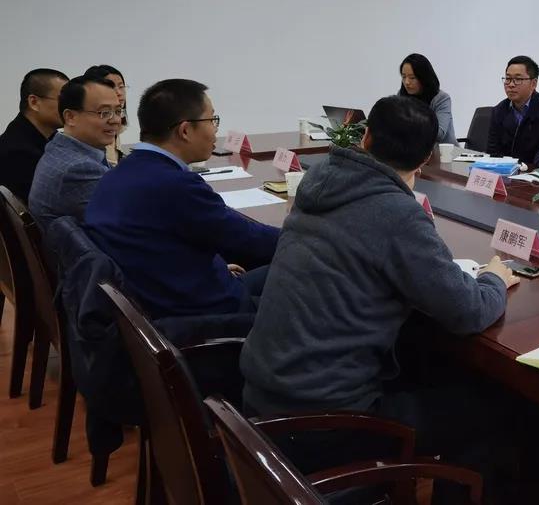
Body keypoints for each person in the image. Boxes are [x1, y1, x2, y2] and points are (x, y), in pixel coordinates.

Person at [240, 95, 516, 496]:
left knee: (422, 361)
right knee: (488, 413)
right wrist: (492, 279)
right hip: (325, 422)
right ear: (425, 158)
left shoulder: (319, 179)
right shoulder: (396, 213)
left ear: (365, 137)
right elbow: (468, 311)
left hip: (262, 396)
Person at [85, 79, 280, 319]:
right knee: (310, 273)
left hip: (172, 293)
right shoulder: (175, 184)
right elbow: (247, 238)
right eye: (212, 120)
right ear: (185, 130)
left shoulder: (121, 172)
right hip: (206, 314)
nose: (215, 130)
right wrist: (307, 237)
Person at [29, 76, 122, 237]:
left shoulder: (59, 149)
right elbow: (126, 222)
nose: (115, 120)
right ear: (70, 117)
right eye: (104, 112)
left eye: (118, 111)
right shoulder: (79, 168)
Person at [0, 68, 68, 202]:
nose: (71, 108)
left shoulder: (52, 139)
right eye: (64, 100)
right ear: (34, 102)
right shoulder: (18, 153)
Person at [486, 56, 539, 164]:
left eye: (518, 79)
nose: (511, 84)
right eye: (508, 79)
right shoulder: (499, 110)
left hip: (535, 171)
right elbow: (492, 152)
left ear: (533, 83)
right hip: (504, 170)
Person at [398, 53, 455, 144]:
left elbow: (438, 134)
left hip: (443, 150)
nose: (407, 82)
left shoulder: (441, 99)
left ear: (424, 78)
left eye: (412, 78)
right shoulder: (402, 96)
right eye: (404, 77)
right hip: (413, 149)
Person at [83, 64, 128, 165]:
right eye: (111, 87)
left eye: (121, 87)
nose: (119, 92)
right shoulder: (92, 130)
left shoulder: (116, 127)